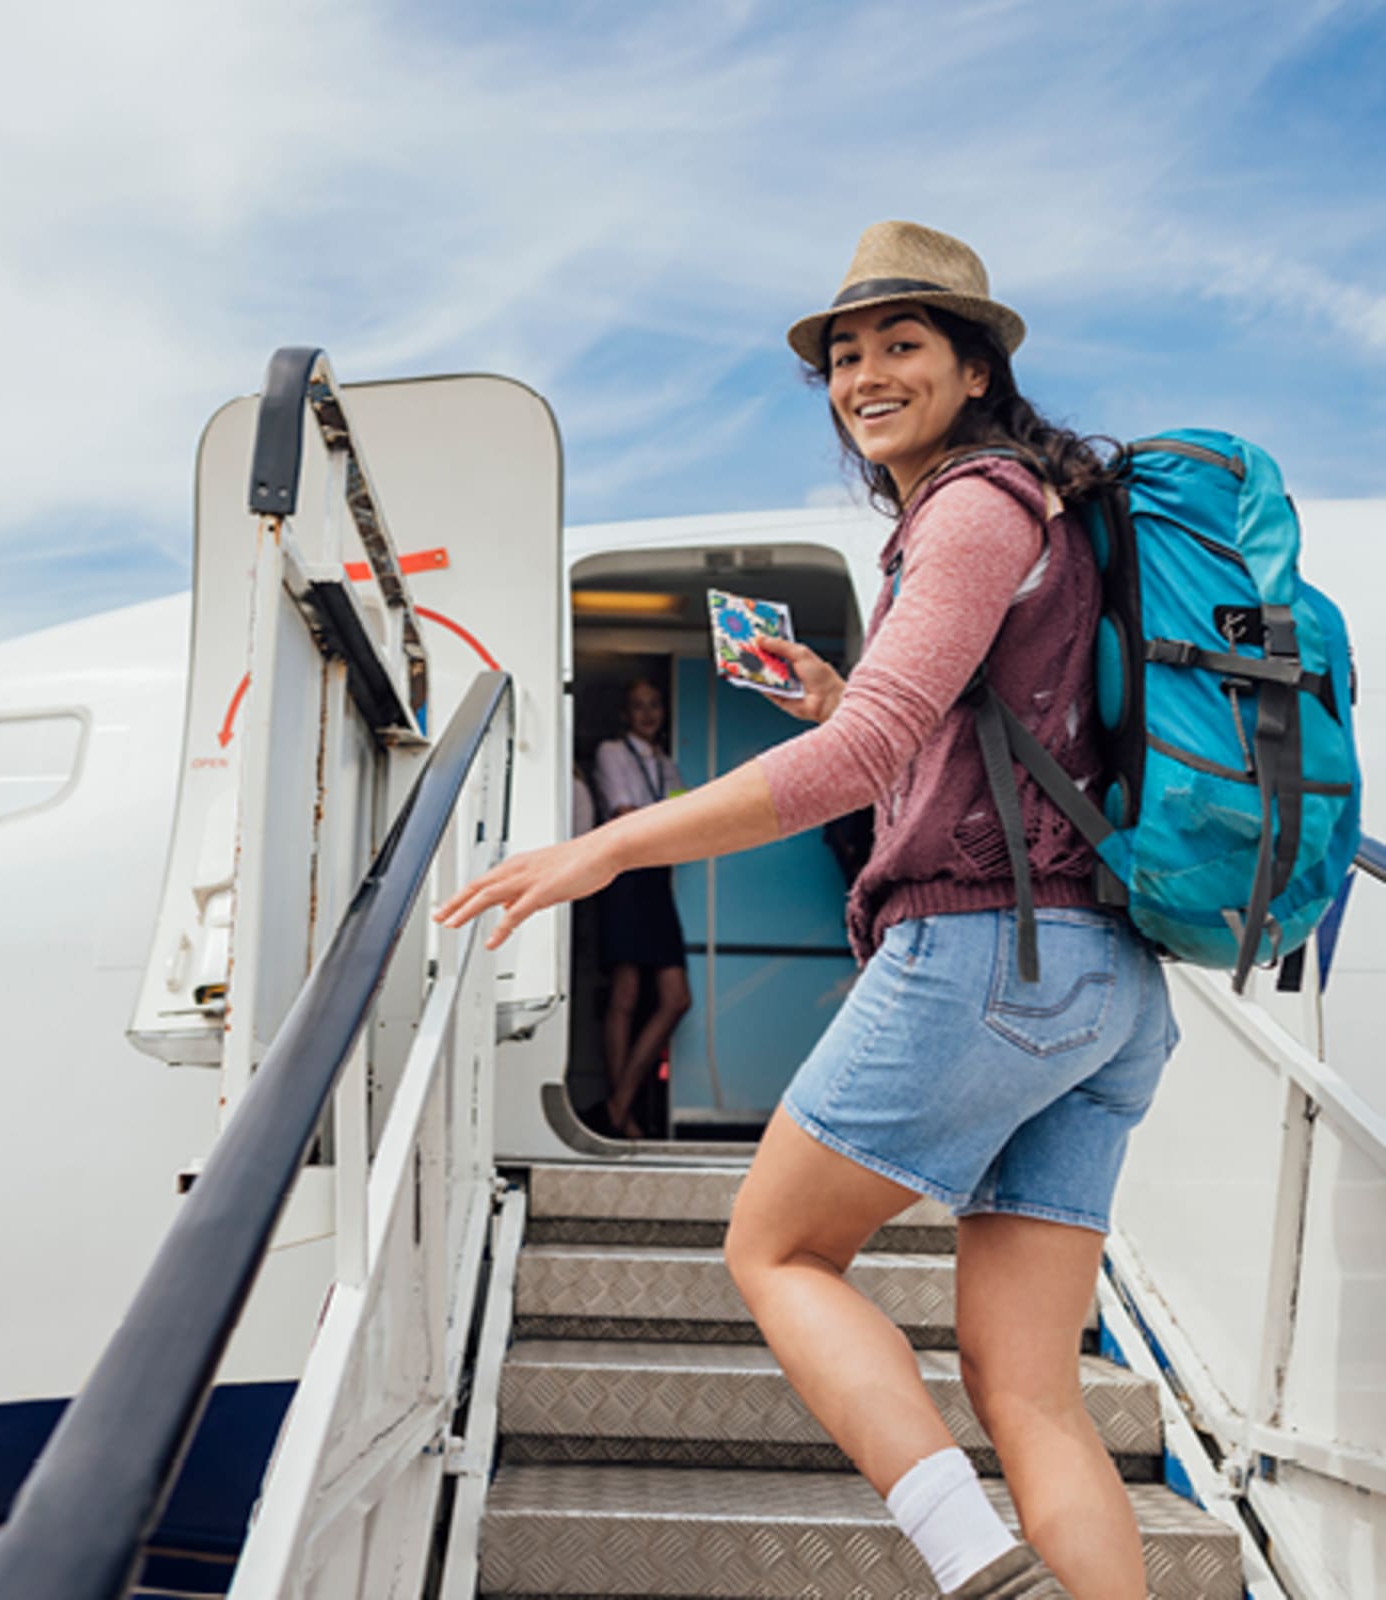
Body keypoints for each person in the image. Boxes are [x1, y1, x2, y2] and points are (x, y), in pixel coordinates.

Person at [435, 220, 1175, 1600]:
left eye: (904, 345)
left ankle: (975, 1567)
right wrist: (844, 696)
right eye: (845, 354)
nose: (866, 374)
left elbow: (858, 766)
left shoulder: (971, 505)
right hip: (1105, 984)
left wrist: (604, 849)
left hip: (989, 954)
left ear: (974, 372)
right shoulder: (1046, 519)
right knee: (1035, 1398)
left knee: (777, 1249)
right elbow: (954, 729)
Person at [589, 679, 691, 1140]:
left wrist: (668, 822)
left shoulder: (667, 764)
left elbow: (684, 820)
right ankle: (623, 1116)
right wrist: (667, 822)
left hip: (656, 879)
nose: (648, 714)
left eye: (654, 705)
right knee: (625, 995)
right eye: (638, 706)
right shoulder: (612, 752)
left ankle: (615, 1106)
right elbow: (624, 814)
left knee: (675, 998)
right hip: (626, 876)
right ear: (625, 715)